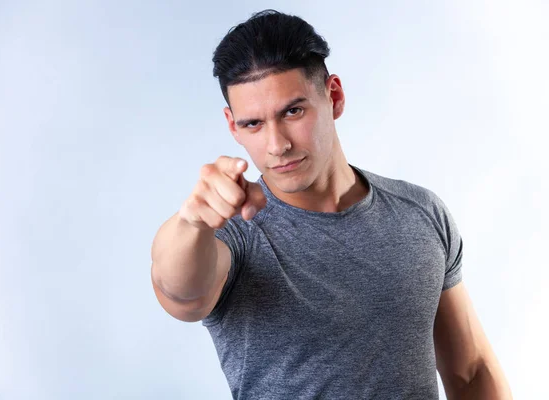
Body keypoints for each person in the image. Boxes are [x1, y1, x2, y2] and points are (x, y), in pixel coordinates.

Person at [151, 9, 512, 400]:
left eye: (292, 111)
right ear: (231, 124)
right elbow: (180, 296)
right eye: (252, 124)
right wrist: (191, 223)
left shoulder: (420, 212)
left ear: (334, 96)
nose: (277, 145)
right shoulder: (232, 232)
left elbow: (471, 372)